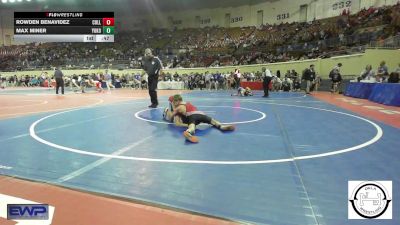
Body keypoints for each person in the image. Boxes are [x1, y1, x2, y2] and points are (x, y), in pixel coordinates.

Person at [169, 94, 235, 143]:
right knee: (213, 121)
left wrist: (172, 106)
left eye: (174, 101)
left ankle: (188, 132)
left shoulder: (178, 108)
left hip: (192, 116)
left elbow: (171, 117)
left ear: (177, 101)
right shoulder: (187, 102)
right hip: (201, 114)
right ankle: (222, 127)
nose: (174, 103)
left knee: (192, 127)